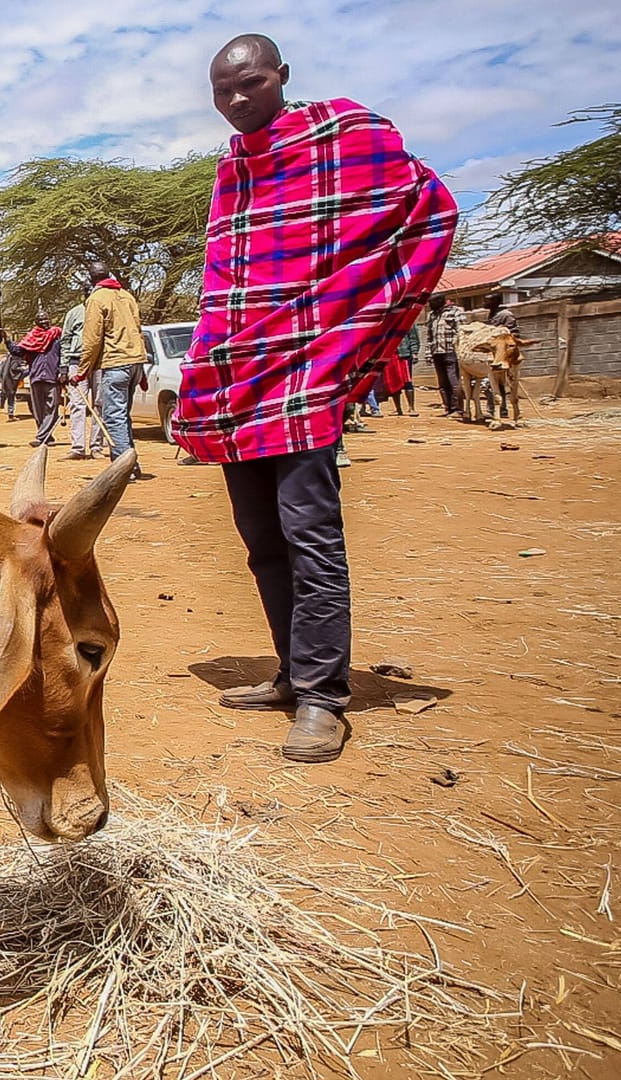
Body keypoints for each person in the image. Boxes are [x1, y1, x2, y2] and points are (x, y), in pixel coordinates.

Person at [173, 34, 456, 764]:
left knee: (311, 542)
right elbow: (229, 280)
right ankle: (293, 677)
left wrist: (352, 335)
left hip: (304, 380)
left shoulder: (345, 136)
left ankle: (326, 699)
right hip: (240, 381)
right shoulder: (233, 169)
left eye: (251, 84)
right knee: (263, 545)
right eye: (222, 91)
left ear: (282, 78)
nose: (237, 101)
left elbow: (429, 209)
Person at [75, 259, 149, 477]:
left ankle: (124, 468)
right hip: (135, 363)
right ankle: (130, 462)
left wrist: (82, 371)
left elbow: (92, 339)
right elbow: (137, 330)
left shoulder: (96, 299)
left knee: (114, 417)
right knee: (123, 416)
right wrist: (142, 371)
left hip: (116, 364)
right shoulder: (127, 296)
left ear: (91, 280)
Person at [60, 299, 107, 459]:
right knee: (77, 404)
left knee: (99, 404)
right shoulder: (74, 313)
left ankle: (96, 446)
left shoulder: (105, 308)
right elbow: (65, 339)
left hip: (100, 361)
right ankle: (78, 448)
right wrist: (64, 367)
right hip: (76, 361)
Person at [12, 315, 63, 446]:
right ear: (36, 322)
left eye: (46, 319)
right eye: (41, 320)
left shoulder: (57, 337)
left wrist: (63, 372)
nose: (44, 322)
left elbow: (64, 356)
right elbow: (17, 351)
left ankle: (41, 437)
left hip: (52, 377)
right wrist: (6, 340)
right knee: (38, 410)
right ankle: (47, 436)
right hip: (36, 377)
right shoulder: (32, 338)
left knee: (52, 408)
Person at [425, 296, 464, 417]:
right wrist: (428, 353)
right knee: (442, 383)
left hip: (451, 351)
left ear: (440, 302)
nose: (429, 305)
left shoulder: (455, 312)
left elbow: (461, 331)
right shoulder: (431, 315)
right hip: (437, 352)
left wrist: (460, 350)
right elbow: (429, 336)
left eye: (432, 303)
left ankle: (458, 409)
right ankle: (448, 408)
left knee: (453, 381)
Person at [385, 322, 420, 416]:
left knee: (407, 381)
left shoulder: (408, 320)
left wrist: (415, 352)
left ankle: (411, 408)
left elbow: (413, 338)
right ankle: (398, 409)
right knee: (393, 382)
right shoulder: (386, 322)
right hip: (390, 355)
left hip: (404, 354)